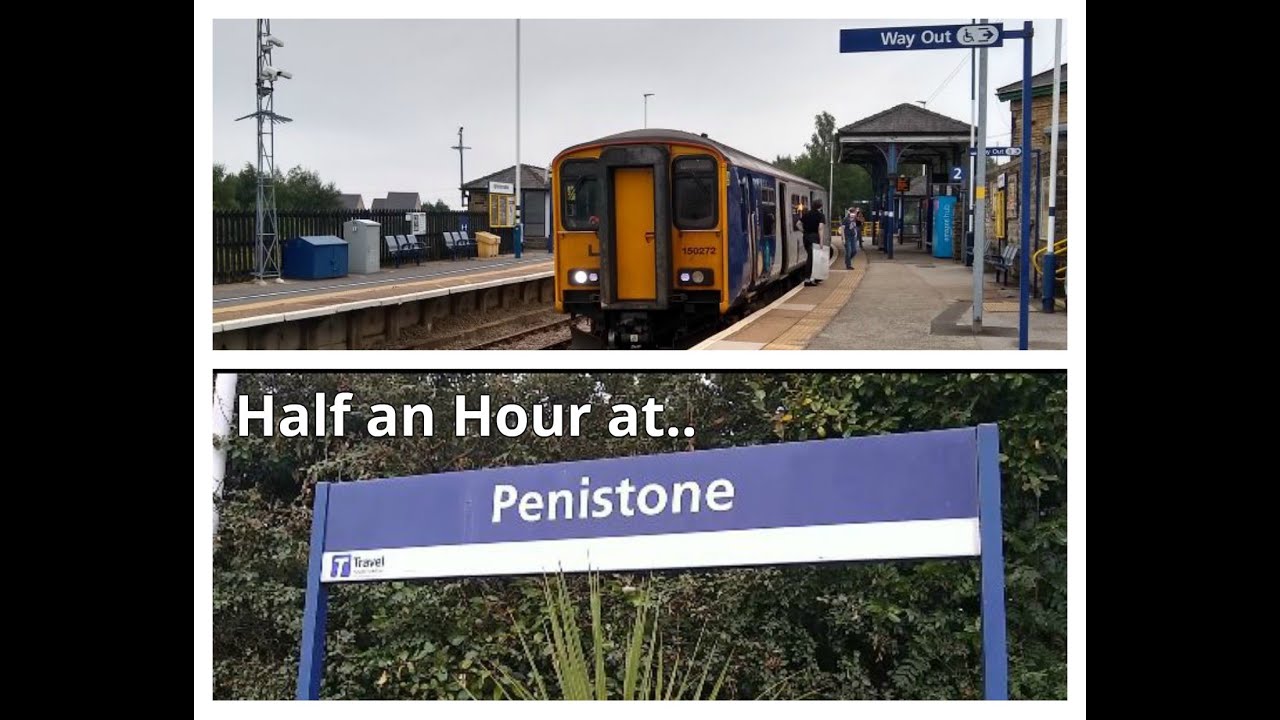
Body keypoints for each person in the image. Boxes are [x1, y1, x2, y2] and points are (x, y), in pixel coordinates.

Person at [800, 198, 826, 286]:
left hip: (806, 237)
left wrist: (803, 231)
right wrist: (821, 242)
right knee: (812, 259)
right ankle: (808, 279)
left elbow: (798, 224)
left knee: (812, 257)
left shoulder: (806, 214)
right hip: (814, 237)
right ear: (820, 206)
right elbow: (821, 228)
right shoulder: (820, 215)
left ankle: (815, 278)